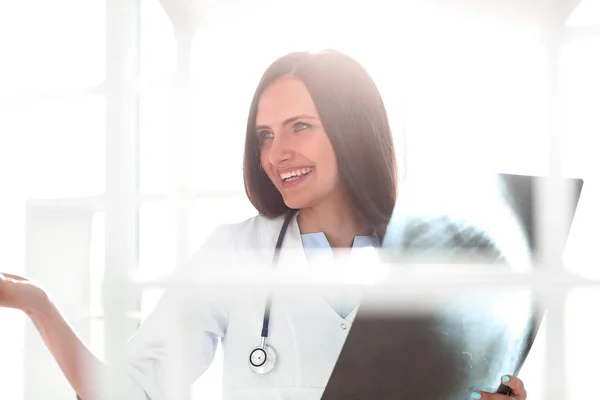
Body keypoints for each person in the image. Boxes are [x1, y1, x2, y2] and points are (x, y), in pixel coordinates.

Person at [0, 50, 527, 400]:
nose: (279, 153)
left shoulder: (425, 257)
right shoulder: (234, 254)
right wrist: (40, 307)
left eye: (301, 127)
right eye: (266, 135)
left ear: (351, 128)